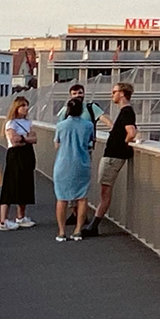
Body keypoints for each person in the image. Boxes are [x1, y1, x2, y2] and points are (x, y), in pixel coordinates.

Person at [51, 90, 98, 242]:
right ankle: (78, 230)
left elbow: (57, 144)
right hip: (82, 163)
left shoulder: (61, 126)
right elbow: (90, 143)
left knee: (61, 198)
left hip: (63, 163)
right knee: (82, 197)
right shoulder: (88, 125)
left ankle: (61, 231)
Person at [92, 80, 138, 232]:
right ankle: (94, 224)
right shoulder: (126, 112)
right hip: (113, 155)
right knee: (104, 190)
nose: (112, 95)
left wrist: (123, 144)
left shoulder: (126, 112)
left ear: (122, 94)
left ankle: (94, 225)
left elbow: (131, 133)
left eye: (114, 92)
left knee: (105, 191)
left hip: (113, 156)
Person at [0, 95, 39, 229]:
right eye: (23, 106)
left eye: (27, 105)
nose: (26, 108)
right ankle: (3, 220)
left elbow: (34, 138)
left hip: (27, 155)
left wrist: (24, 139)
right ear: (16, 107)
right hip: (15, 155)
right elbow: (14, 140)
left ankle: (21, 216)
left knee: (25, 185)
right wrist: (26, 138)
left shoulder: (28, 122)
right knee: (11, 185)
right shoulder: (11, 123)